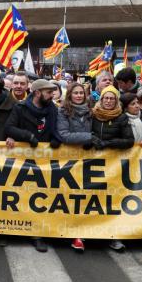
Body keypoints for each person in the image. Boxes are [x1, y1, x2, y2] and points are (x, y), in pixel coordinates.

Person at [5, 79, 62, 253]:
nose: (52, 95)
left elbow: (56, 129)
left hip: (45, 161)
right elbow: (9, 128)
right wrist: (28, 136)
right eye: (48, 92)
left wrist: (55, 139)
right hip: (24, 160)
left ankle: (38, 235)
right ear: (37, 93)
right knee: (21, 195)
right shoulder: (20, 108)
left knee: (41, 198)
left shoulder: (52, 109)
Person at [91, 85, 134, 252]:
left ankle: (114, 237)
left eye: (112, 98)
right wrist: (92, 139)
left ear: (116, 101)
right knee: (92, 200)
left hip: (114, 166)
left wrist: (108, 144)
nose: (108, 101)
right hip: (92, 165)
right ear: (101, 100)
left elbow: (128, 141)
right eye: (105, 98)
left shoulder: (121, 118)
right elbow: (86, 132)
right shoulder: (92, 114)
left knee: (112, 202)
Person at [56, 81, 92, 252]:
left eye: (81, 93)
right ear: (69, 95)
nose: (79, 96)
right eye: (75, 93)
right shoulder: (62, 111)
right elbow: (64, 135)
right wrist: (89, 137)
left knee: (84, 198)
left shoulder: (92, 111)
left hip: (89, 160)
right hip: (67, 161)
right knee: (68, 197)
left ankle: (81, 233)